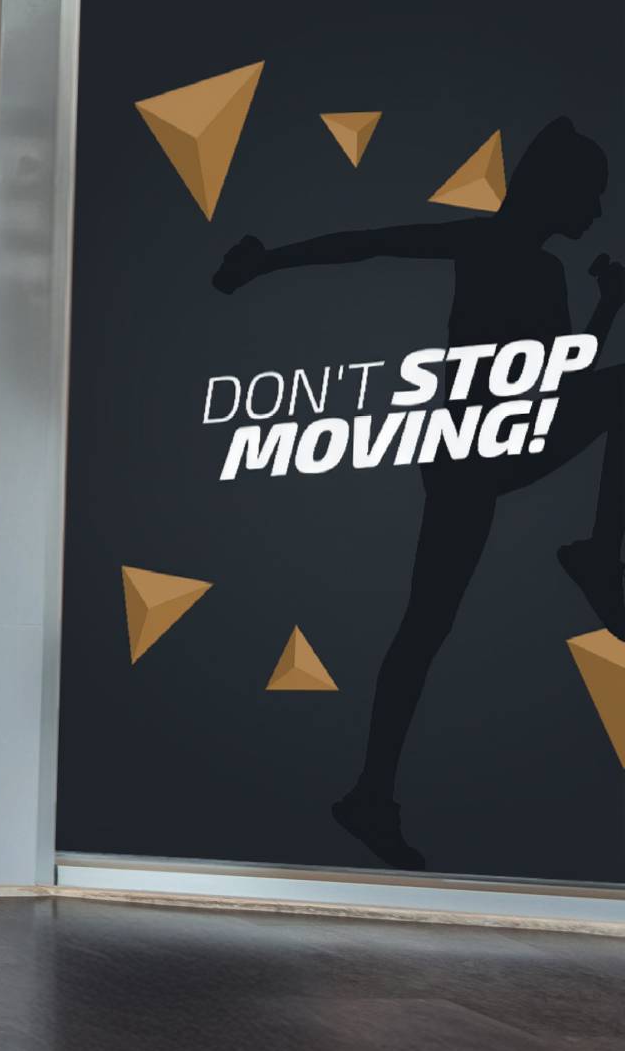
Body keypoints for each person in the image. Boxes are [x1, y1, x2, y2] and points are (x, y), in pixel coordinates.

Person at [215, 117, 622, 868]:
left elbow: (559, 379)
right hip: (475, 453)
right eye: (590, 195)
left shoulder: (533, 267)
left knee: (423, 628)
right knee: (423, 627)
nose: (598, 211)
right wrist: (266, 262)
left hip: (490, 447)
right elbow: (368, 242)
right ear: (557, 190)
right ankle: (598, 555)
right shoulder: (501, 249)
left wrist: (607, 307)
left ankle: (371, 793)